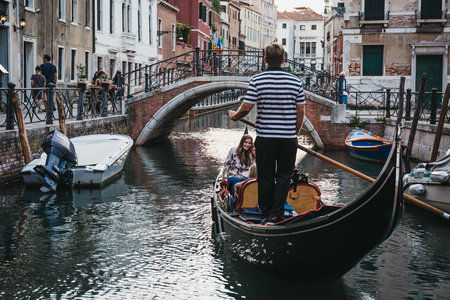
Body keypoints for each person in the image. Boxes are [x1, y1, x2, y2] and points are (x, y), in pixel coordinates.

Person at [228, 43, 305, 225]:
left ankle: (265, 211)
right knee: (284, 177)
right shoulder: (296, 82)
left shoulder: (257, 80)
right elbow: (301, 112)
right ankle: (276, 215)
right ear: (283, 61)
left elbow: (246, 107)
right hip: (287, 139)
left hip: (266, 138)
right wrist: (294, 134)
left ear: (265, 60)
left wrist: (234, 116)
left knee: (265, 175)